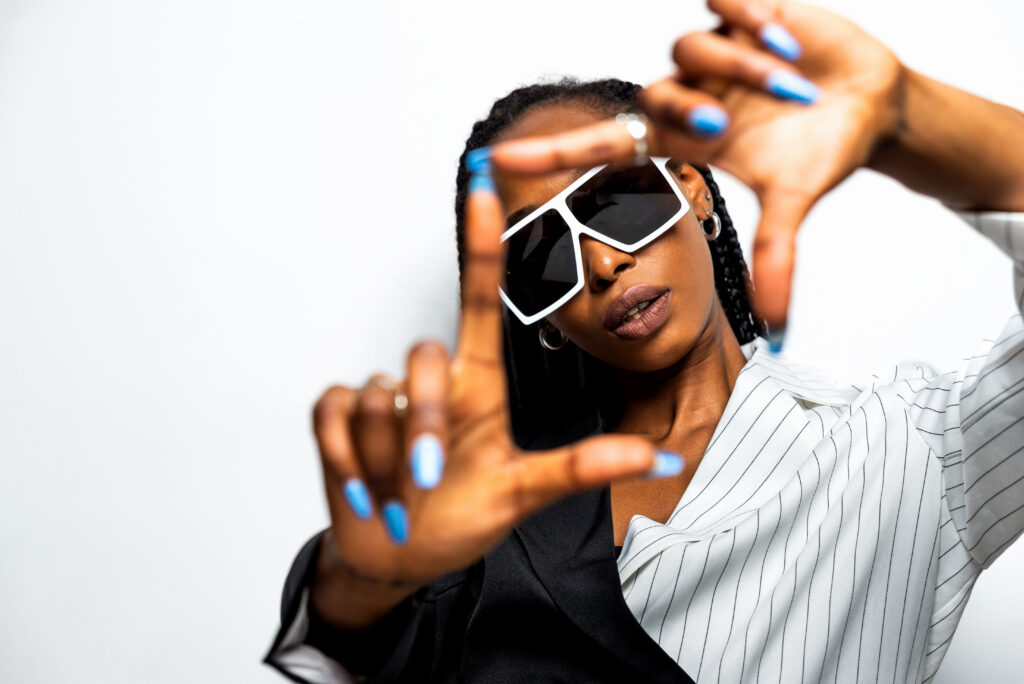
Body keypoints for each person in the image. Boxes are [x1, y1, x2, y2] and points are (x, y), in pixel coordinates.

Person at [264, 1, 1024, 682]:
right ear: (538, 315)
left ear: (692, 188)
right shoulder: (493, 496)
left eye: (616, 200)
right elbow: (344, 654)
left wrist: (907, 116)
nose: (600, 261)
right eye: (543, 255)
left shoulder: (909, 449)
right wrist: (358, 591)